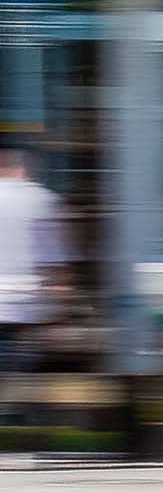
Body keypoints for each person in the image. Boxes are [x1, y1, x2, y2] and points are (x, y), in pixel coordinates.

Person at [0, 147, 66, 434]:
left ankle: (15, 417)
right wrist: (60, 299)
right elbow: (53, 257)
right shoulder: (41, 199)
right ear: (24, 169)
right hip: (24, 303)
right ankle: (18, 418)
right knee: (19, 365)